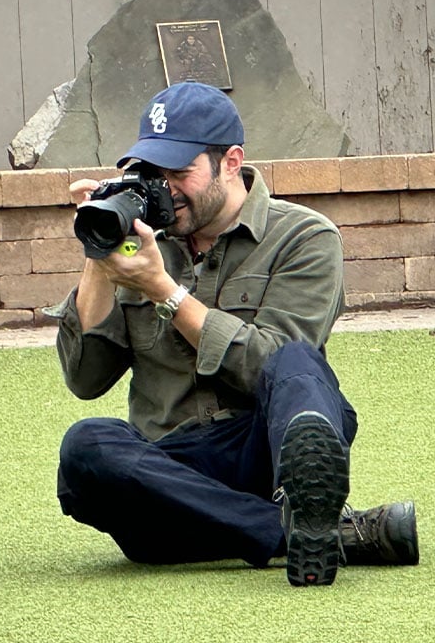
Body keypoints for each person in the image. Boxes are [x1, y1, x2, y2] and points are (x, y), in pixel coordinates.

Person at [45, 82, 418, 587]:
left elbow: (269, 365)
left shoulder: (304, 237)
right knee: (85, 445)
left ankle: (284, 514)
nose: (164, 189)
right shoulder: (141, 242)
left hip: (264, 451)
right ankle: (325, 534)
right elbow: (86, 380)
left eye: (179, 173)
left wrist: (165, 292)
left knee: (296, 362)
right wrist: (99, 245)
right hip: (167, 478)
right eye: (151, 174)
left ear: (230, 161)